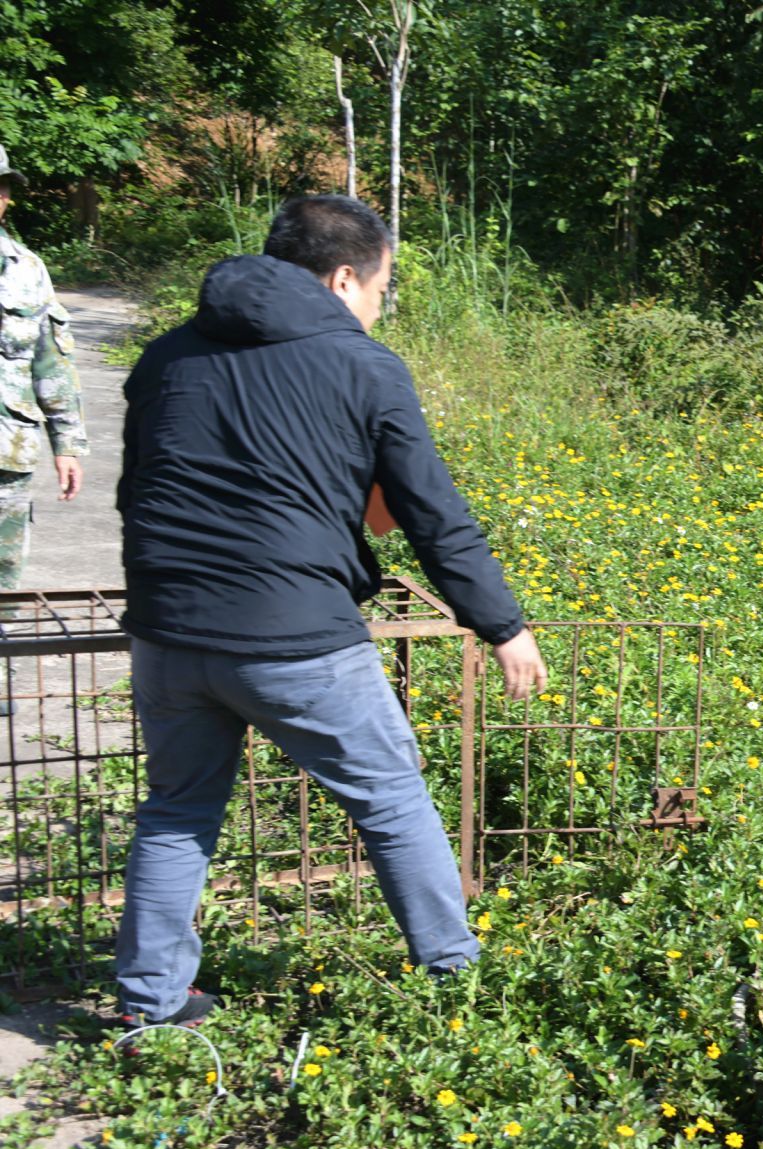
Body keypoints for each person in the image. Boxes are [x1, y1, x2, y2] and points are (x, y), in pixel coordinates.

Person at [114, 194, 547, 1028]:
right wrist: (502, 624)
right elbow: (431, 513)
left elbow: (139, 494)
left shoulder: (166, 355)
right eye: (382, 289)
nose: (381, 307)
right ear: (346, 277)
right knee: (391, 799)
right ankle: (459, 984)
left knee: (176, 811)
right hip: (292, 635)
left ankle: (149, 1005)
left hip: (168, 630)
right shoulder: (363, 364)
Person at [0, 144, 87, 715]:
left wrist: (67, 440)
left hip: (7, 448)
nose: (4, 197)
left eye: (4, 187)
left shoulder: (27, 270)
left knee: (4, 562)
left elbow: (50, 363)